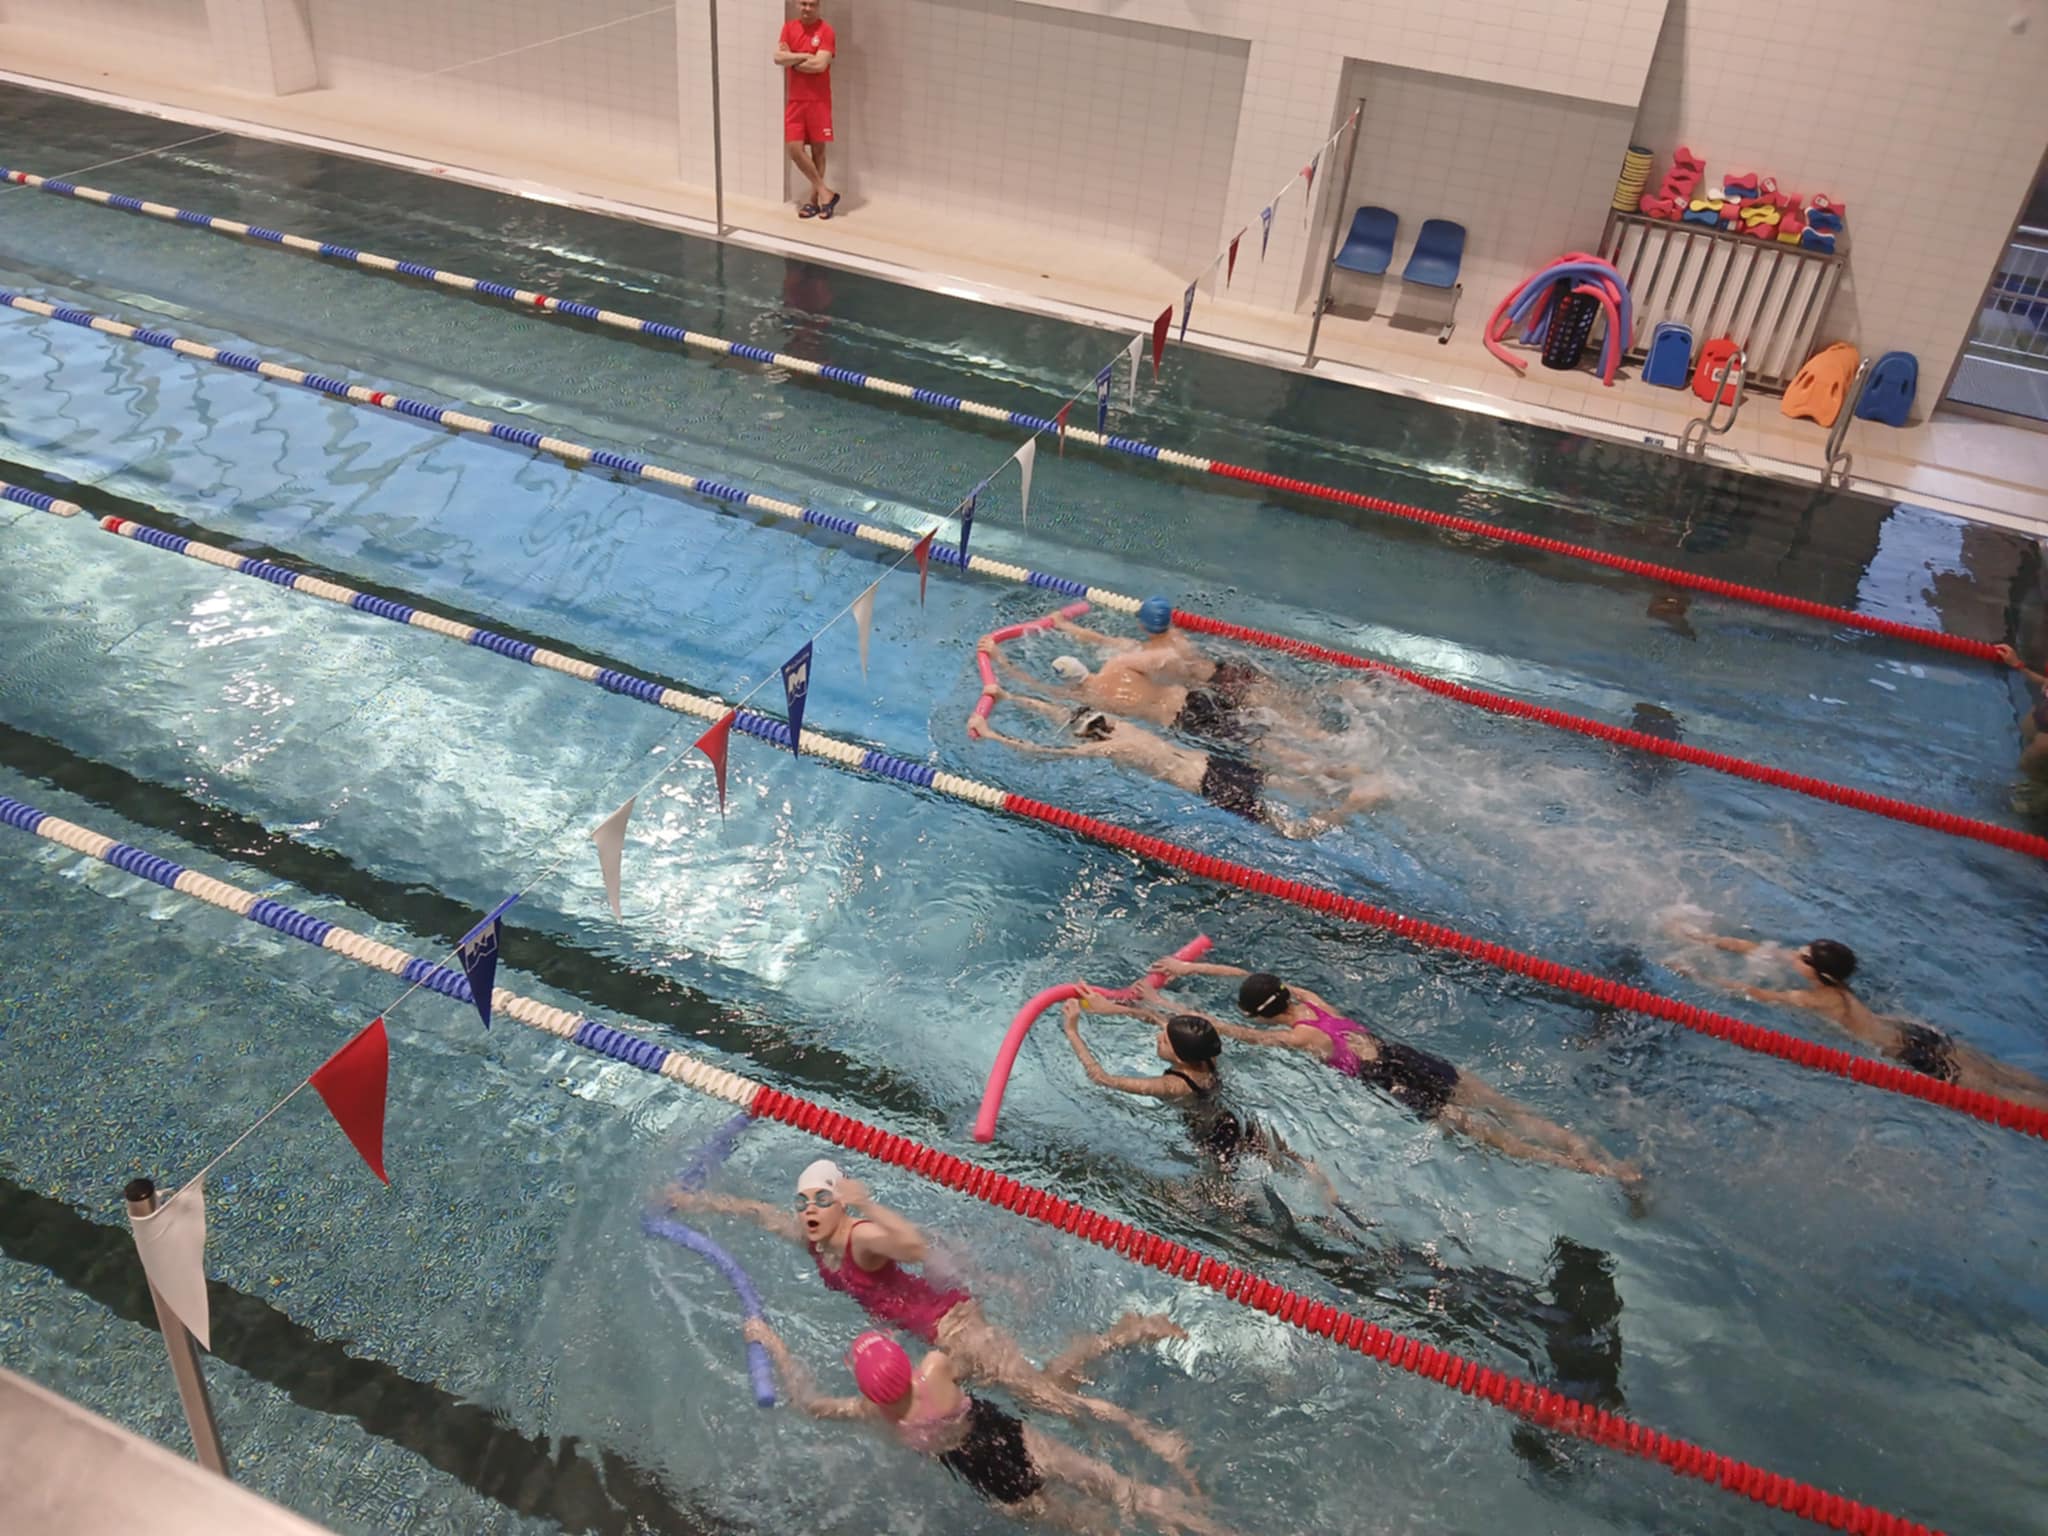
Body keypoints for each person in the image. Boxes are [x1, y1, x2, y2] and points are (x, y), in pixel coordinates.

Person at [667, 1161, 1190, 1470]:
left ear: (840, 1203)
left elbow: (913, 1246)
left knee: (1048, 1400)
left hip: (957, 1329)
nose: (808, 1209)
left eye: (822, 1198)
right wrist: (696, 1202)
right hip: (940, 1336)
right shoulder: (815, 1240)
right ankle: (1116, 1336)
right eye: (802, 1201)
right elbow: (759, 1214)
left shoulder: (859, 1238)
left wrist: (867, 1205)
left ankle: (1149, 1430)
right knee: (1037, 1391)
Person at [1137, 958, 1639, 1185]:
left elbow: (1232, 1033)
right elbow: (1252, 977)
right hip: (1410, 1058)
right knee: (1510, 1110)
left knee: (1498, 1141)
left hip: (1395, 1085)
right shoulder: (1310, 1000)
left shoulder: (1300, 1039)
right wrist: (1194, 968)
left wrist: (1165, 1007)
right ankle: (1586, 1149)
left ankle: (1602, 1174)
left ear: (1261, 1015)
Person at [745, 1322, 1232, 1535]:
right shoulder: (934, 1369)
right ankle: (1206, 1526)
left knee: (1094, 1527)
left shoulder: (872, 1412)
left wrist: (773, 1345)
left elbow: (808, 1403)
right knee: (1119, 1487)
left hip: (996, 1485)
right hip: (1018, 1440)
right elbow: (979, 1355)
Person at [1670, 927, 2048, 1110]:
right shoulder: (1832, 981)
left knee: (1998, 1093)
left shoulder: (1817, 998)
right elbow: (1758, 949)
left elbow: (1752, 992)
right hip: (1910, 1031)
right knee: (1998, 1070)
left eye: (1802, 956)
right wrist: (1703, 938)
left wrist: (1697, 975)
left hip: (1905, 1053)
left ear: (1817, 972)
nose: (1795, 954)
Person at [967, 691, 1391, 837]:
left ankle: (1356, 803)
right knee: (1296, 782)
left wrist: (991, 733)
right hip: (1217, 763)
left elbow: (1043, 751)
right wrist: (1006, 696)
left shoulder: (1107, 750)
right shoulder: (1119, 727)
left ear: (1085, 736)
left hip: (1209, 785)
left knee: (1292, 832)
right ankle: (1354, 778)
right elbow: (1060, 711)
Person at [1053, 597, 1327, 738]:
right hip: (1226, 670)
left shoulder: (1144, 652)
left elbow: (1101, 640)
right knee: (1289, 703)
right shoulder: (1177, 636)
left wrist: (1064, 625)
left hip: (1213, 689)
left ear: (1143, 625)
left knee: (1269, 724)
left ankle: (1320, 737)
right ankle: (1326, 713)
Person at [981, 639, 1268, 745]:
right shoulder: (1117, 665)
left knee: (1257, 742)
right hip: (1193, 697)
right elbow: (1166, 658)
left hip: (1183, 723)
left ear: (1068, 683)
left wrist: (998, 658)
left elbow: (1033, 686)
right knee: (1257, 718)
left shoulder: (1086, 698)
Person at [775, 0, 839, 219]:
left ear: (818, 6)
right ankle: (826, 192)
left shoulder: (826, 31)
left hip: (819, 100)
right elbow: (778, 57)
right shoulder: (789, 28)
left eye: (812, 5)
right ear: (797, 4)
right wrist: (806, 56)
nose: (807, 8)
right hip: (795, 100)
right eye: (803, 3)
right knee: (794, 149)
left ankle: (814, 201)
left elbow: (819, 65)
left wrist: (792, 57)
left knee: (818, 151)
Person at [1996, 644, 2048, 770]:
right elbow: (2044, 681)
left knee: (2029, 762)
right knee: (2024, 733)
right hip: (2041, 713)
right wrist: (2017, 664)